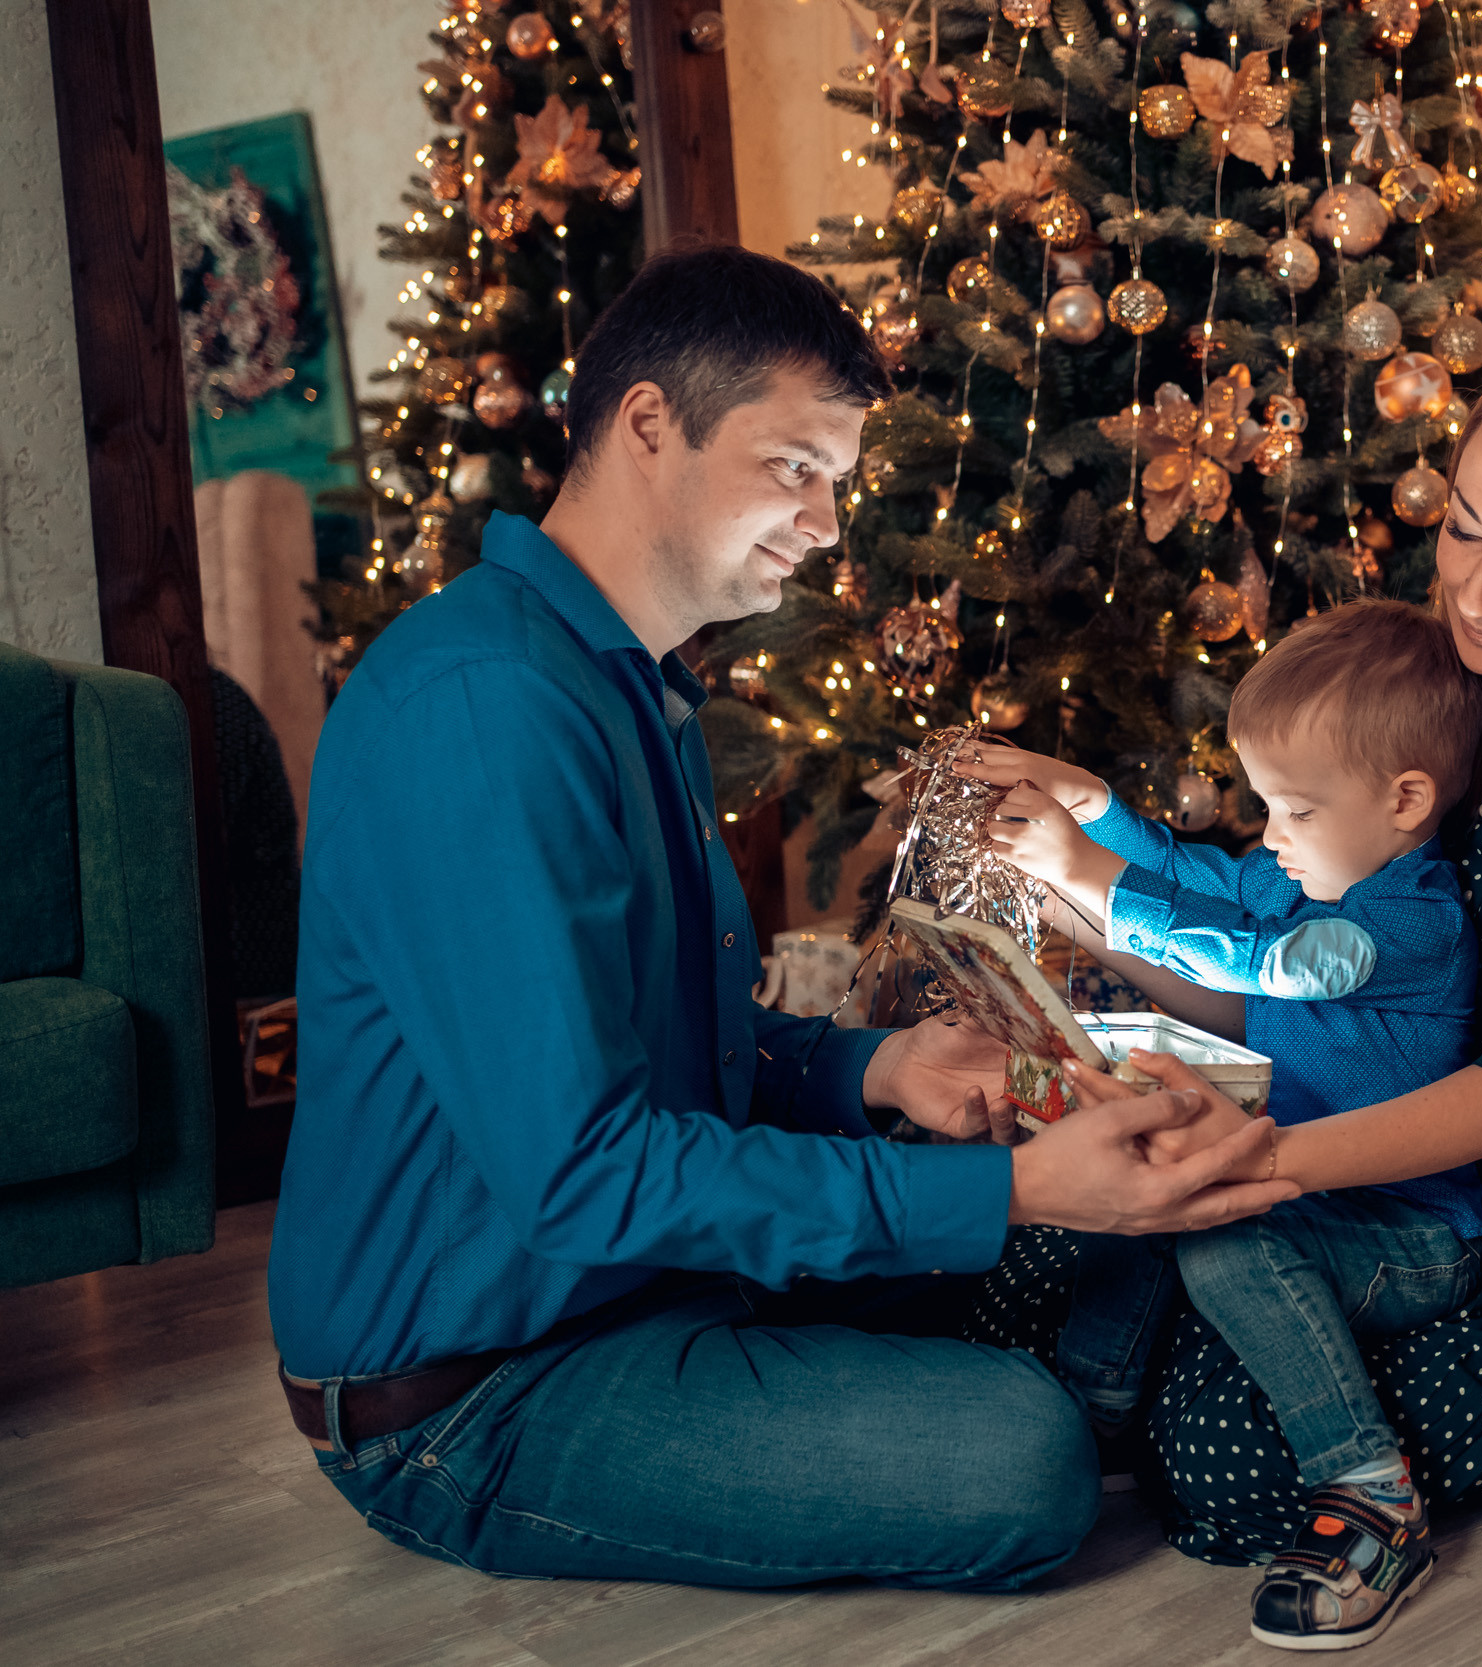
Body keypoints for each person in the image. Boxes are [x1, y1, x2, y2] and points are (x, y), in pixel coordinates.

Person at [266, 244, 1291, 1592]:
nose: (825, 520)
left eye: (837, 481)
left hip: (646, 1284)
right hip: (476, 1386)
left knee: (1102, 1232)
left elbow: (673, 1043)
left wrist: (882, 1065)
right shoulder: (486, 705)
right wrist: (1014, 1182)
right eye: (793, 466)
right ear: (648, 424)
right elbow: (588, 1169)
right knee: (1018, 1460)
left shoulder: (629, 687)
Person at [970, 339, 1482, 1569]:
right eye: (1463, 529)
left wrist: (1263, 1162)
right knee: (1051, 1253)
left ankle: (1362, 1486)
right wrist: (1073, 887)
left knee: (1219, 1452)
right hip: (1367, 1156)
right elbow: (1276, 966)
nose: (1475, 592)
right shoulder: (1434, 690)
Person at [964, 599, 1482, 1649]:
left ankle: (1372, 1492)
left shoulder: (1403, 922)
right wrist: (1097, 807)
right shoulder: (1309, 867)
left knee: (1222, 1221)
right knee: (1158, 1171)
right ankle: (1093, 1408)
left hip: (1409, 1235)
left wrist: (1088, 875)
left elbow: (1258, 959)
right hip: (1305, 1188)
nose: (1270, 835)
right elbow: (1209, 876)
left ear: (1405, 798)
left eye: (1292, 809)